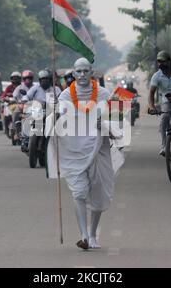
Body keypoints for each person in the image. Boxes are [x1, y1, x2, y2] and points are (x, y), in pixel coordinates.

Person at [47, 58, 118, 250]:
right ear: (74, 73)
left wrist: (103, 125)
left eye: (86, 71)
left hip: (98, 150)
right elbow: (58, 116)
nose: (82, 75)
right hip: (73, 151)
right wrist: (57, 116)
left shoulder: (103, 94)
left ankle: (93, 234)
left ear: (92, 72)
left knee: (97, 191)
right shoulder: (65, 96)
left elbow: (115, 121)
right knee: (79, 192)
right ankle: (84, 236)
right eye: (78, 71)